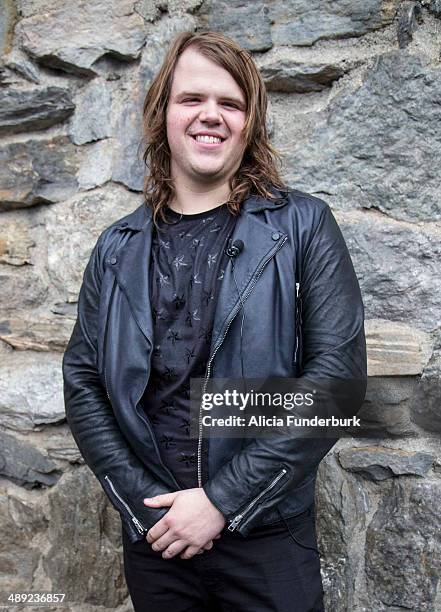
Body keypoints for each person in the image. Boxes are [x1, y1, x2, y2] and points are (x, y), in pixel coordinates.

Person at [62, 31, 367, 612]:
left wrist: (221, 501)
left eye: (231, 104)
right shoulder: (114, 248)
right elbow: (83, 382)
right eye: (192, 99)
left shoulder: (302, 226)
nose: (211, 116)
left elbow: (338, 383)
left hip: (267, 537)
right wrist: (143, 501)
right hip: (157, 537)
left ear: (250, 123)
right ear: (162, 115)